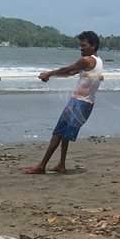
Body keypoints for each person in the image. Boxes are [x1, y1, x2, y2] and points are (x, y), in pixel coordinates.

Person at [23, 31, 103, 174]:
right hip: (83, 102)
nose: (81, 48)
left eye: (84, 45)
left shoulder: (87, 60)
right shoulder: (97, 61)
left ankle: (41, 166)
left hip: (80, 103)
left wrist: (48, 74)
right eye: (80, 46)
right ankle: (61, 164)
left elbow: (67, 69)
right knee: (63, 134)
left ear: (93, 45)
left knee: (58, 133)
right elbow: (69, 73)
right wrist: (51, 76)